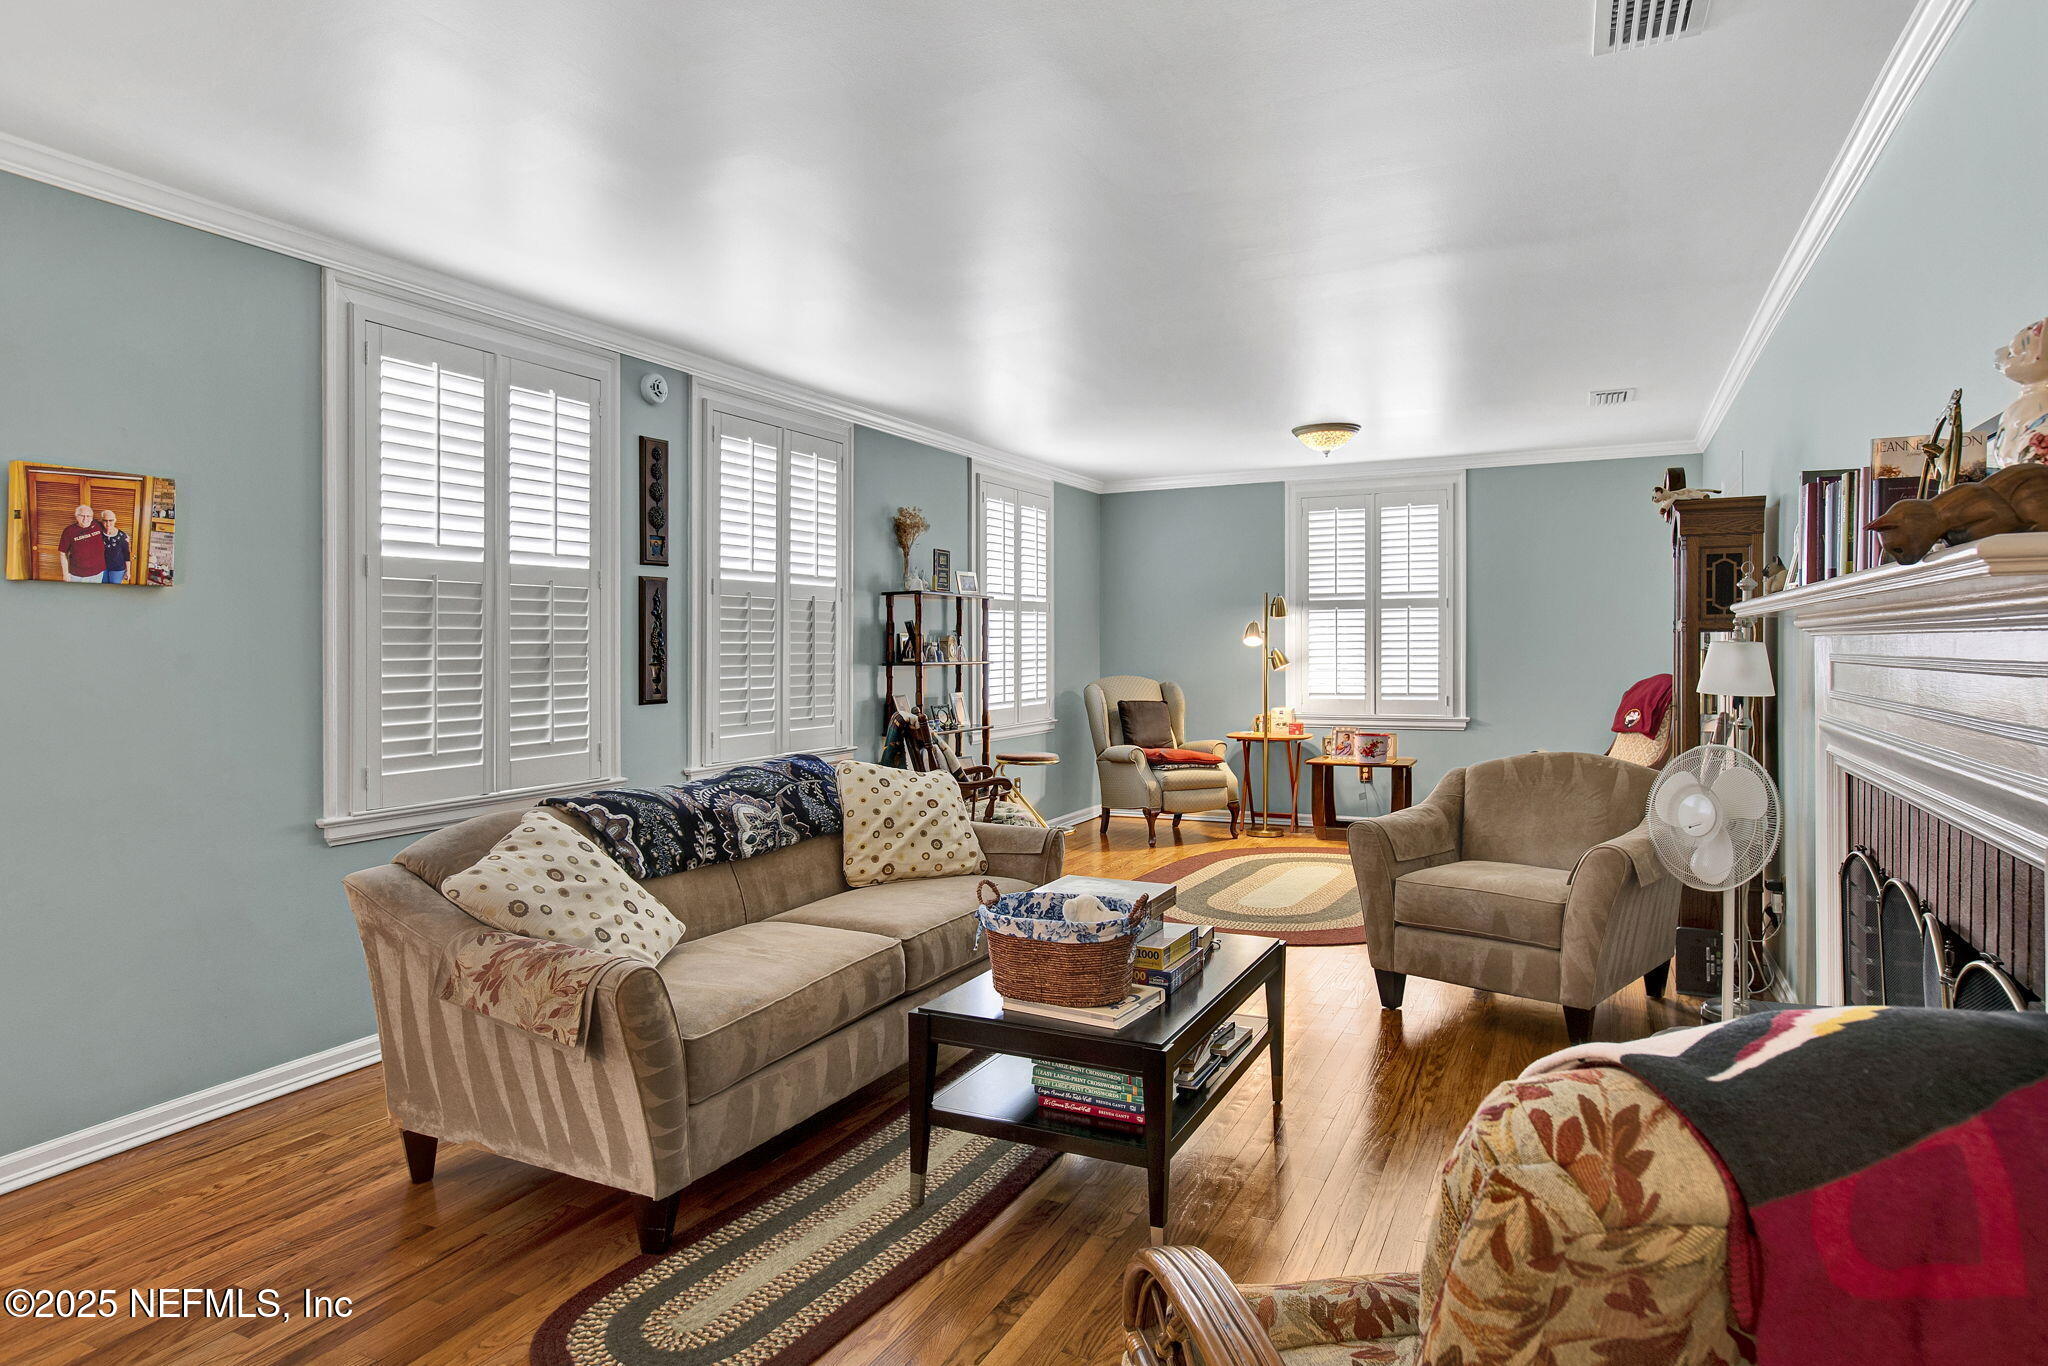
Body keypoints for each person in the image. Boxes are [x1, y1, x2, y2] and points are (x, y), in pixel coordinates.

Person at [57, 503, 105, 582]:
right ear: (76, 516)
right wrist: (65, 574)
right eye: (82, 516)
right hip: (77, 575)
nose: (85, 519)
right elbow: (62, 553)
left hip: (97, 573)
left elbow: (111, 530)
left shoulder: (98, 525)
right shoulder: (69, 531)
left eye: (88, 516)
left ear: (92, 517)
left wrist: (125, 537)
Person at [99, 509, 131, 584]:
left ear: (115, 520)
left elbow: (127, 554)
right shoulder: (98, 534)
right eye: (105, 520)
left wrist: (128, 571)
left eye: (111, 520)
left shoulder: (122, 536)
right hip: (102, 567)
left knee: (114, 590)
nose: (108, 523)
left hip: (117, 569)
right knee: (103, 589)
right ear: (102, 521)